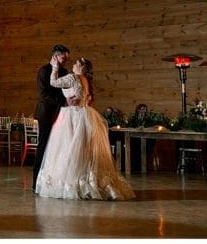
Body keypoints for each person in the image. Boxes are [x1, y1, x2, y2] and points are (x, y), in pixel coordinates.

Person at [35, 58, 135, 200]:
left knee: (68, 149)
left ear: (81, 67)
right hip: (85, 115)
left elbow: (53, 82)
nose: (73, 65)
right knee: (84, 150)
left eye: (76, 63)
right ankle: (89, 181)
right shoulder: (86, 80)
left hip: (72, 116)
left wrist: (55, 68)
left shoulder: (73, 77)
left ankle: (72, 182)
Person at [33, 44, 70, 190]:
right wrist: (63, 101)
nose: (66, 60)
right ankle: (36, 182)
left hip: (61, 114)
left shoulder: (65, 71)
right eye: (63, 58)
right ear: (55, 56)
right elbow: (44, 95)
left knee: (57, 148)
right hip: (46, 114)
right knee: (43, 147)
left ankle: (52, 182)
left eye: (67, 58)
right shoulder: (43, 71)